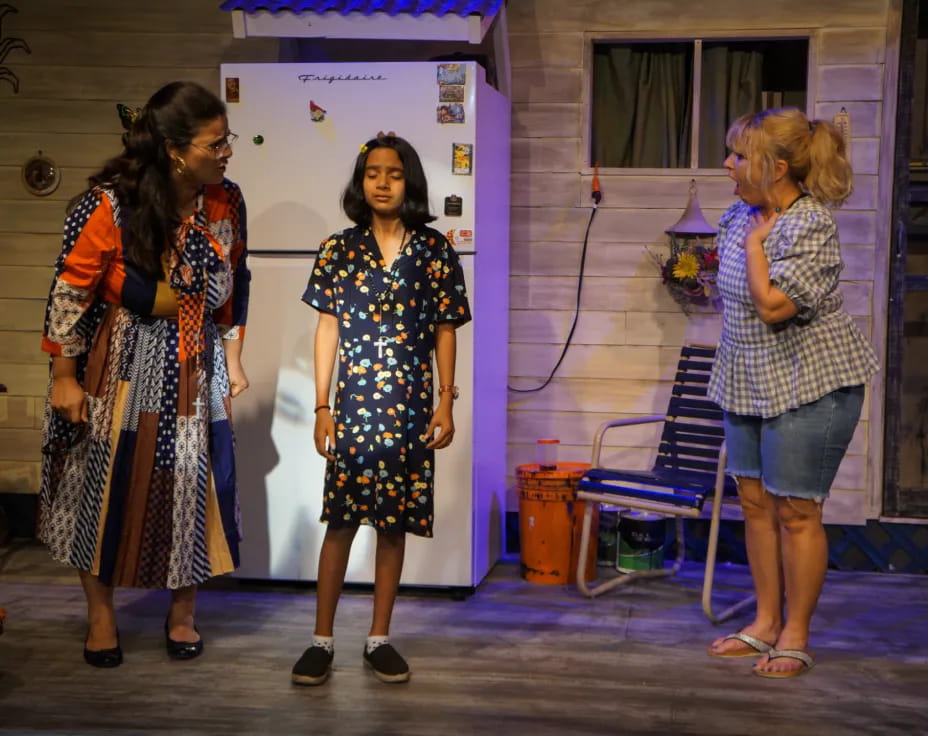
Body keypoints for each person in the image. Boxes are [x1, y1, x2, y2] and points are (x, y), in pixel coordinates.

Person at [38, 81, 250, 668]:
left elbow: (238, 279)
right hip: (121, 359)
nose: (227, 152)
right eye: (215, 143)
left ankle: (183, 613)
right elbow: (71, 289)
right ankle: (101, 615)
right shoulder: (110, 204)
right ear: (175, 150)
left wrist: (234, 355)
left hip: (196, 359)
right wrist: (64, 376)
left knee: (195, 486)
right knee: (100, 485)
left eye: (227, 139)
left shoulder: (226, 200)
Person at [705, 107, 879, 678]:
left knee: (797, 510)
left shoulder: (810, 224)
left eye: (739, 155)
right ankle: (764, 623)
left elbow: (774, 306)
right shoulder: (739, 213)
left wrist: (758, 248)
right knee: (755, 503)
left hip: (810, 382)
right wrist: (749, 241)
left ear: (776, 167)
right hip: (748, 377)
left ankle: (795, 634)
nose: (728, 164)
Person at [292, 133, 471, 686]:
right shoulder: (337, 249)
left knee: (393, 527)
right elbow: (327, 329)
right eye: (373, 173)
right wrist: (322, 405)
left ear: (408, 180)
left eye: (393, 173)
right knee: (341, 522)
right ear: (361, 181)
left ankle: (379, 639)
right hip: (353, 408)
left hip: (411, 408)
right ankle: (321, 641)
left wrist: (446, 400)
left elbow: (446, 329)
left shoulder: (435, 249)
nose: (383, 183)